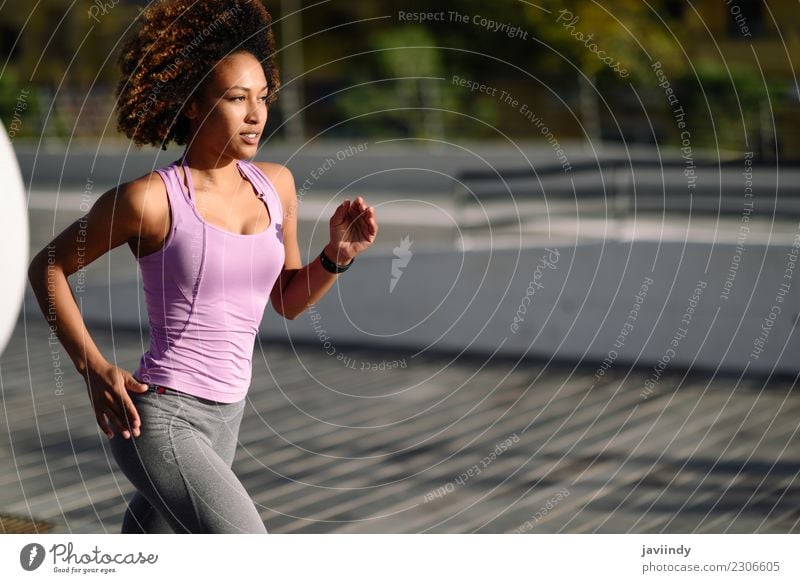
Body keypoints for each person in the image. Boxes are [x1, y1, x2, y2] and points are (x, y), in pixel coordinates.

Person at [26, 0, 378, 534]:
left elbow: (284, 299)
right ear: (193, 105)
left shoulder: (274, 185)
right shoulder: (151, 201)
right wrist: (93, 369)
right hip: (162, 417)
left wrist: (335, 257)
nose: (257, 114)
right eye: (237, 99)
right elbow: (46, 267)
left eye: (262, 98)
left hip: (227, 416)